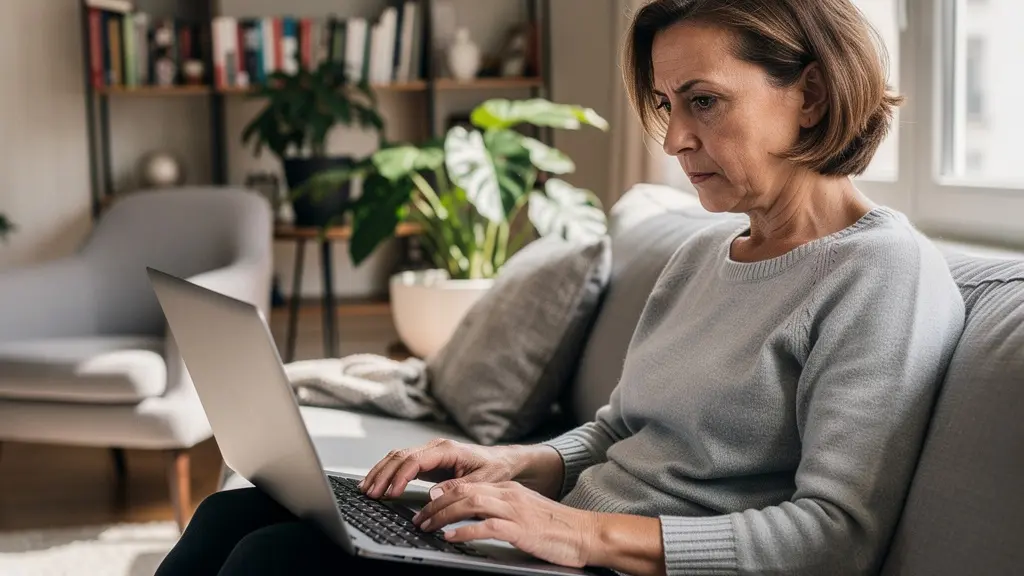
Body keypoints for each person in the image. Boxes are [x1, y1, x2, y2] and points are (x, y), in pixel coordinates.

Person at [156, 1, 966, 574]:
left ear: (813, 94)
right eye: (666, 104)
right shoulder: (702, 256)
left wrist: (581, 535)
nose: (678, 138)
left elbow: (834, 537)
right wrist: (509, 464)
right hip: (558, 546)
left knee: (276, 560)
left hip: (613, 564)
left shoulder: (880, 272)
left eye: (705, 102)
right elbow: (618, 430)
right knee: (238, 513)